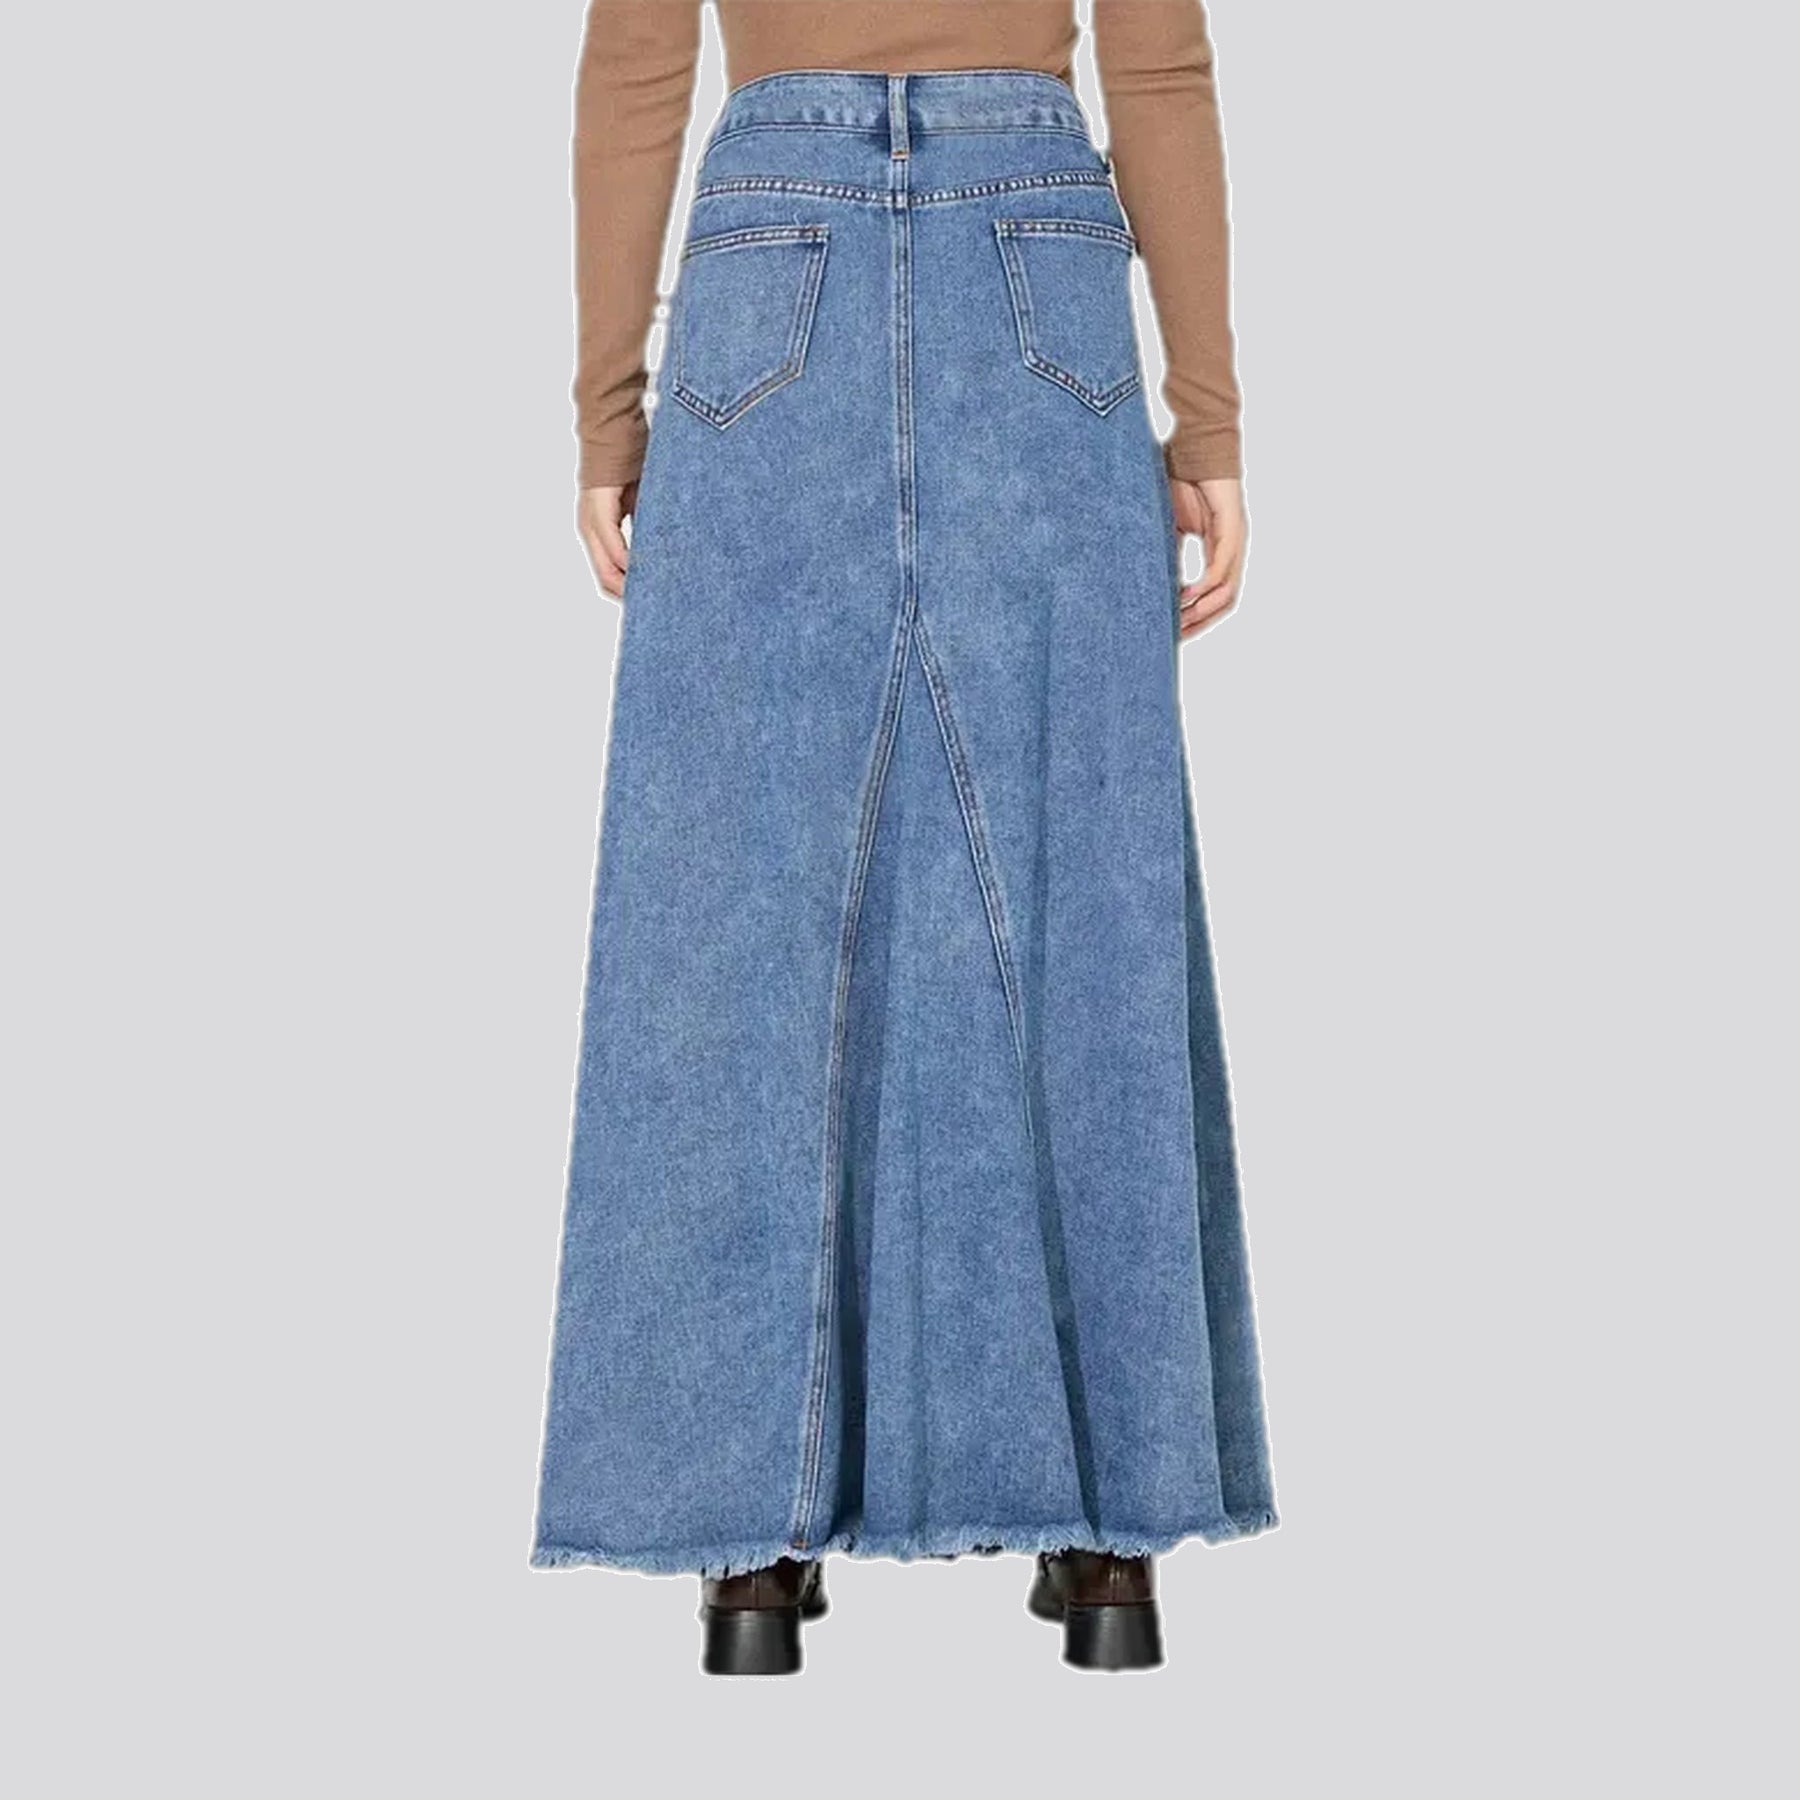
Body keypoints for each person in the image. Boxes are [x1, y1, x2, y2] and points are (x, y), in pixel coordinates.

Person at [531, 0, 1278, 1676]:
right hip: (1040, 258)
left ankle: (749, 1545)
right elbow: (1158, 60)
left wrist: (609, 414)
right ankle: (1109, 1539)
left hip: (768, 254)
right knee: (1082, 878)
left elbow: (638, 58)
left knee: (739, 898)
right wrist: (1210, 420)